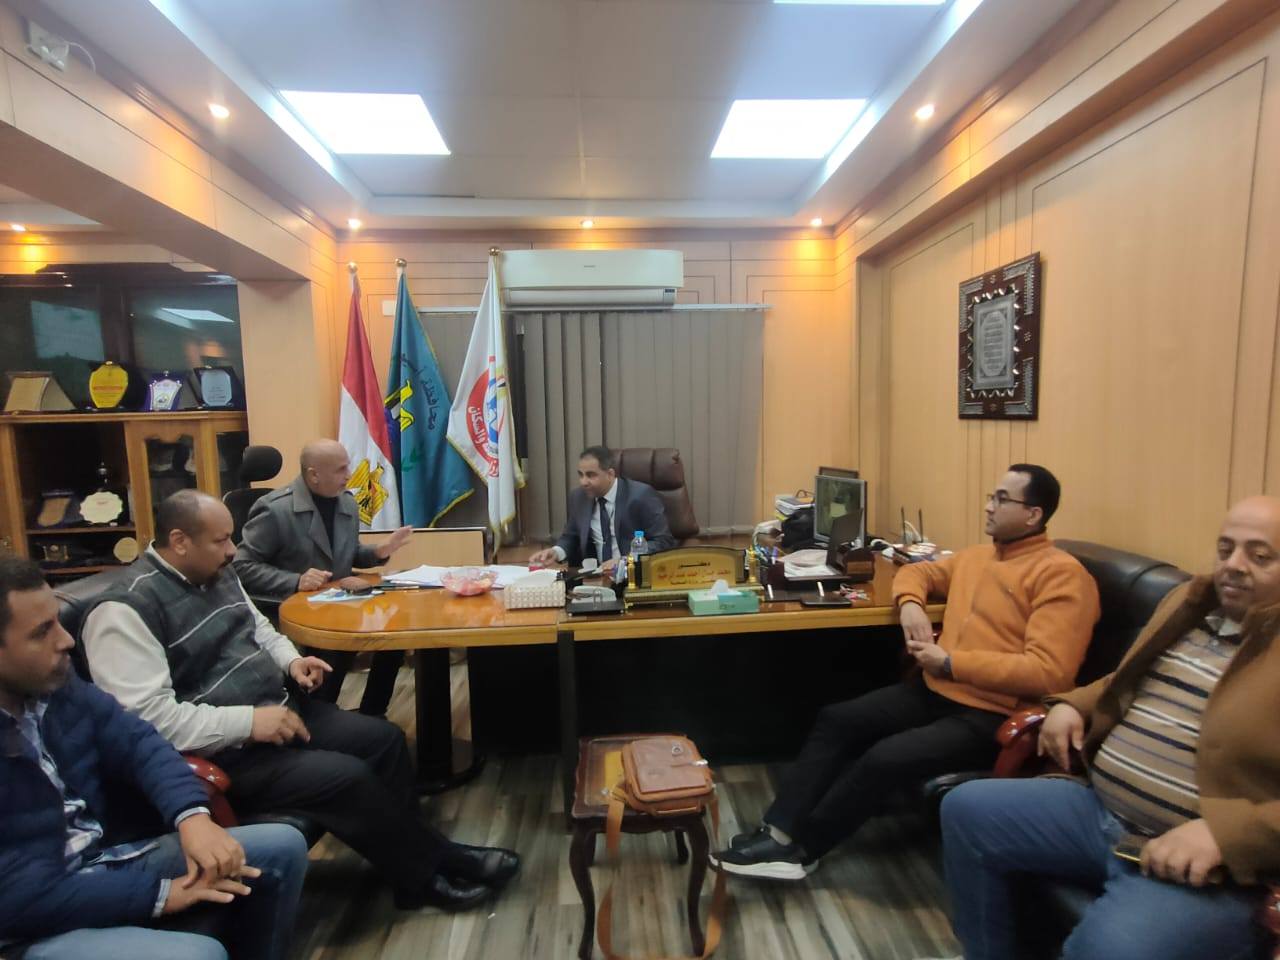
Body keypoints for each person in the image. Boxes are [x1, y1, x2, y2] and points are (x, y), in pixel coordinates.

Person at [81, 490, 520, 912]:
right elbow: (147, 722)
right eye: (221, 540)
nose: (233, 551)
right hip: (226, 751)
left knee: (383, 740)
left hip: (279, 711)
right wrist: (249, 722)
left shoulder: (214, 569)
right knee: (346, 777)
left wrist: (292, 662)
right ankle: (429, 872)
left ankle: (415, 869)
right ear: (179, 541)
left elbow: (258, 627)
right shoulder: (123, 612)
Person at [712, 464, 1100, 880]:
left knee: (885, 757)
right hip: (937, 690)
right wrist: (911, 604)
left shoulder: (1062, 575)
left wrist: (950, 662)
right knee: (837, 719)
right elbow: (917, 570)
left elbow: (1049, 674)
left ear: (1033, 515)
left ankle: (802, 851)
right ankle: (778, 831)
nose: (989, 506)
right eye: (992, 496)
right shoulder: (978, 557)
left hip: (993, 714)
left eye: (1002, 499)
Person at [940, 496, 1280, 960]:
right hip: (1099, 812)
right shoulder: (1190, 605)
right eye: (1226, 549)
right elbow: (1125, 680)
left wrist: (1226, 833)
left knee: (1109, 948)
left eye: (1260, 556)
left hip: (1202, 865)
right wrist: (1071, 704)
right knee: (967, 809)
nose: (1234, 565)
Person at [0, 555, 308, 960]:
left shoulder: (55, 685)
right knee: (198, 955)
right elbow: (16, 898)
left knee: (282, 846)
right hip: (28, 922)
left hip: (101, 857)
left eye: (58, 621)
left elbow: (139, 742)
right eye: (42, 632)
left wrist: (192, 817)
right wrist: (160, 895)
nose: (66, 640)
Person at [234, 438, 412, 716]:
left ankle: (372, 713)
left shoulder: (347, 503)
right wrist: (295, 581)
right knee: (333, 650)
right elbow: (242, 566)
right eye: (341, 469)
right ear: (314, 475)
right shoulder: (274, 509)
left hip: (339, 605)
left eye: (347, 467)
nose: (349, 475)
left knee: (394, 636)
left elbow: (348, 554)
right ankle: (319, 715)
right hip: (295, 612)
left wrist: (379, 552)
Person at [528, 445, 675, 573]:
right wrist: (556, 552)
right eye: (581, 475)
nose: (583, 482)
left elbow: (663, 541)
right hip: (595, 577)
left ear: (610, 474)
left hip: (631, 574)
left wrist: (625, 560)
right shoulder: (579, 497)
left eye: (591, 475)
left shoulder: (641, 496)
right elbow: (571, 536)